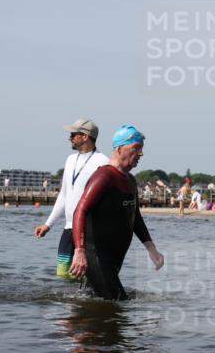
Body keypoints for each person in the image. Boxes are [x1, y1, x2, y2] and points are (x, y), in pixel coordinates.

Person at [70, 125, 164, 300]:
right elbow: (80, 211)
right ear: (120, 149)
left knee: (96, 304)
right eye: (137, 148)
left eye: (142, 149)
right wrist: (80, 250)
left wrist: (152, 249)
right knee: (118, 302)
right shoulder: (104, 177)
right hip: (95, 256)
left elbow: (135, 217)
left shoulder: (130, 180)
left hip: (113, 259)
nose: (141, 153)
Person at [35, 118, 110, 278]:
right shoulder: (70, 160)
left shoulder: (103, 162)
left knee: (84, 275)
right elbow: (64, 195)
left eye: (73, 134)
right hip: (69, 228)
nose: (69, 137)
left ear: (85, 137)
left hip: (90, 230)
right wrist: (48, 225)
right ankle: (72, 303)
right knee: (63, 274)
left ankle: (84, 301)